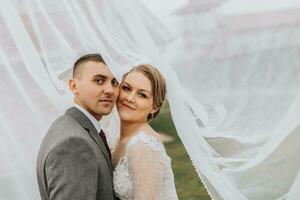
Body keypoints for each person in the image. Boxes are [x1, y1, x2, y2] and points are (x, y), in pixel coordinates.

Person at [36, 54, 120, 200]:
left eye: (114, 82)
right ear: (74, 86)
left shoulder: (69, 125)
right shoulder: (73, 144)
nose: (110, 90)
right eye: (99, 81)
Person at [112, 64, 178, 200]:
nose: (130, 98)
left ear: (154, 107)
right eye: (126, 88)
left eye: (142, 95)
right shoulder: (118, 138)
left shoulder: (144, 146)